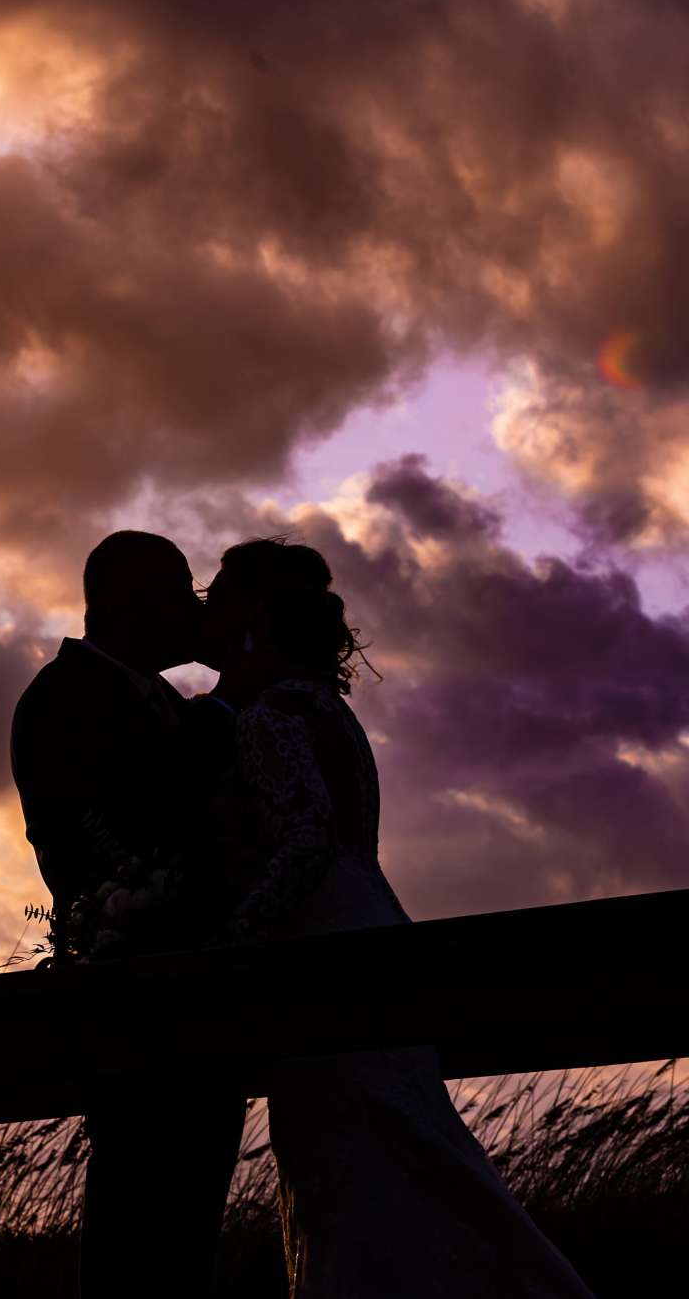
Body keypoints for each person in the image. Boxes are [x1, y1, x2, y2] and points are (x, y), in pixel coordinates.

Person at [202, 537, 594, 1298]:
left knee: (355, 1166)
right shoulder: (325, 708)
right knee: (409, 1152)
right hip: (372, 925)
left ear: (251, 615)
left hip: (322, 960)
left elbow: (308, 839)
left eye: (216, 595)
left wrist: (234, 937)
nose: (204, 610)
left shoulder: (270, 715)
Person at [9, 530, 245, 1299]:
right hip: (132, 996)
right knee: (136, 1223)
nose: (194, 610)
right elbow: (112, 832)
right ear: (129, 603)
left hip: (199, 999)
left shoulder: (162, 700)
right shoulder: (61, 699)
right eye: (180, 593)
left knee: (187, 1232)